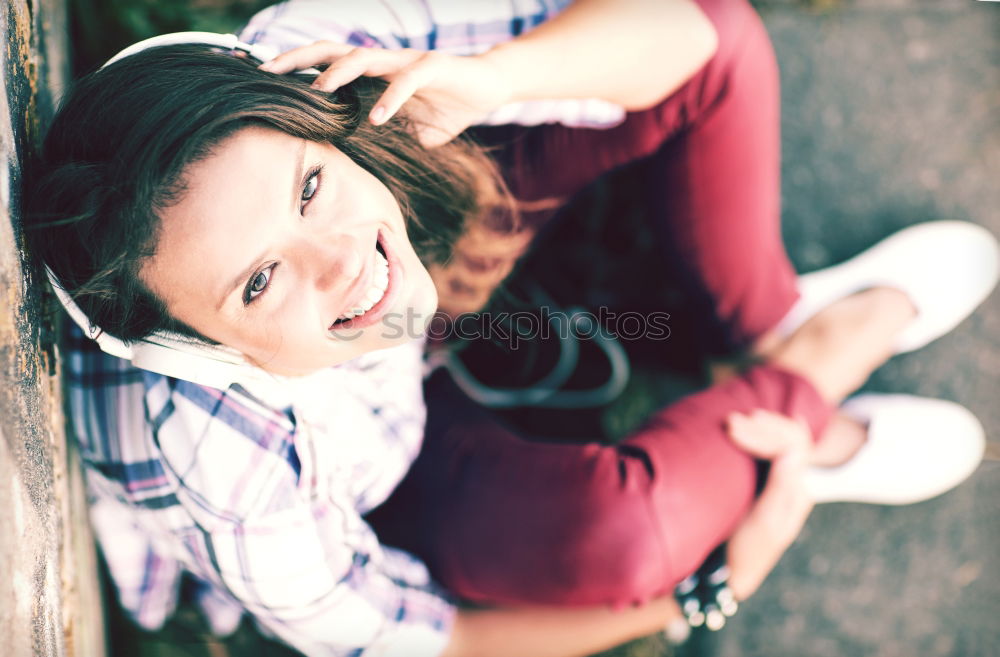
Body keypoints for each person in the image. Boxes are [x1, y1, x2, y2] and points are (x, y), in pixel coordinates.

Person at [24, 1, 997, 655]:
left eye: (310, 184)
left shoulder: (321, 59)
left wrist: (492, 78)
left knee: (714, 40)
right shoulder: (220, 460)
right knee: (621, 539)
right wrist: (706, 586)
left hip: (433, 242)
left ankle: (771, 341)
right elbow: (423, 641)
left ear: (310, 123)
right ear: (196, 346)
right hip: (384, 461)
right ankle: (816, 367)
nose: (340, 262)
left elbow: (693, 37)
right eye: (259, 281)